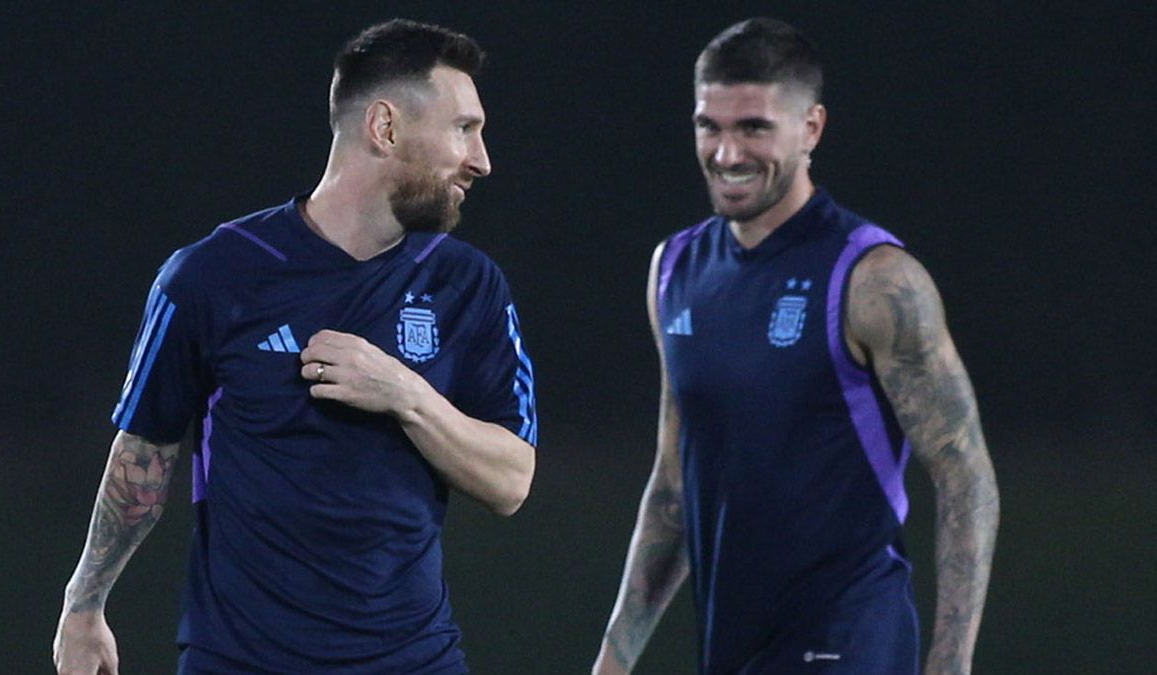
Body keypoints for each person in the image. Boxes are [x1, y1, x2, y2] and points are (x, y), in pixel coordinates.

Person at [53, 19, 537, 675]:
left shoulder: (466, 283)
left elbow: (511, 479)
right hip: (240, 660)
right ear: (386, 127)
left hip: (412, 662)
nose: (482, 158)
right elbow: (144, 451)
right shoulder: (211, 276)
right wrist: (84, 604)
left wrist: (407, 396)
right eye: (464, 129)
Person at [593, 17, 998, 675]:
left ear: (811, 128)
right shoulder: (675, 268)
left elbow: (965, 473)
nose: (727, 152)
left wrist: (949, 663)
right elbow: (673, 481)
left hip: (848, 639)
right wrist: (613, 658)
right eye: (709, 126)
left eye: (753, 127)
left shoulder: (875, 279)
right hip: (731, 645)